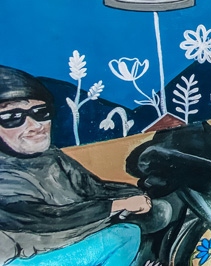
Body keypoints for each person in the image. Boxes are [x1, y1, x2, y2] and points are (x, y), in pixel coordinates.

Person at [0, 65, 152, 266]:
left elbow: (92, 188)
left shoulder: (51, 157)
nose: (35, 126)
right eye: (12, 118)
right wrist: (117, 205)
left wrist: (135, 194)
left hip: (62, 245)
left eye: (40, 112)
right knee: (123, 237)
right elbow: (45, 218)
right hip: (22, 260)